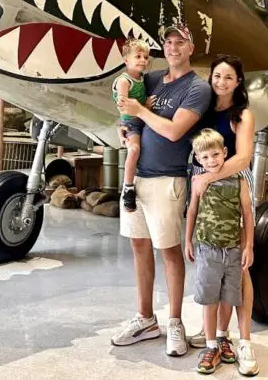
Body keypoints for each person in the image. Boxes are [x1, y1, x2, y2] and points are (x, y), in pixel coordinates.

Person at [111, 24, 212, 357]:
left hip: (168, 180)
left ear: (191, 48)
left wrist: (138, 110)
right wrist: (124, 129)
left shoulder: (197, 87)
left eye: (180, 42)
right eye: (168, 42)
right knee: (139, 247)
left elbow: (173, 131)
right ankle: (145, 318)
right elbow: (125, 108)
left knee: (169, 252)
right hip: (136, 178)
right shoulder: (150, 78)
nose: (172, 47)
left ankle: (175, 322)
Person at [188, 55, 259, 376]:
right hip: (204, 192)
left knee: (238, 271)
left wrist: (209, 177)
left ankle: (242, 340)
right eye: (217, 75)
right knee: (210, 266)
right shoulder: (202, 108)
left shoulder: (241, 115)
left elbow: (243, 158)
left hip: (233, 186)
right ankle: (215, 339)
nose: (221, 82)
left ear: (238, 81)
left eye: (229, 77)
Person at [185, 129, 254, 376]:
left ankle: (224, 336)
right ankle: (211, 344)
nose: (211, 161)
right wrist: (188, 241)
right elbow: (191, 211)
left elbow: (247, 215)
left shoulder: (239, 182)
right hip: (207, 249)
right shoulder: (197, 182)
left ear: (225, 153)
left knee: (229, 297)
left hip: (233, 250)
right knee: (209, 298)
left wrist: (248, 246)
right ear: (198, 160)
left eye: (215, 155)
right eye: (205, 158)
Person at [113, 38, 150, 213]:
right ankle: (128, 187)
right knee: (134, 149)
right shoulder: (124, 81)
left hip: (143, 120)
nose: (143, 60)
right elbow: (124, 105)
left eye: (145, 57)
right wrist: (145, 108)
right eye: (138, 56)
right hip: (132, 122)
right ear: (126, 60)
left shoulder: (143, 79)